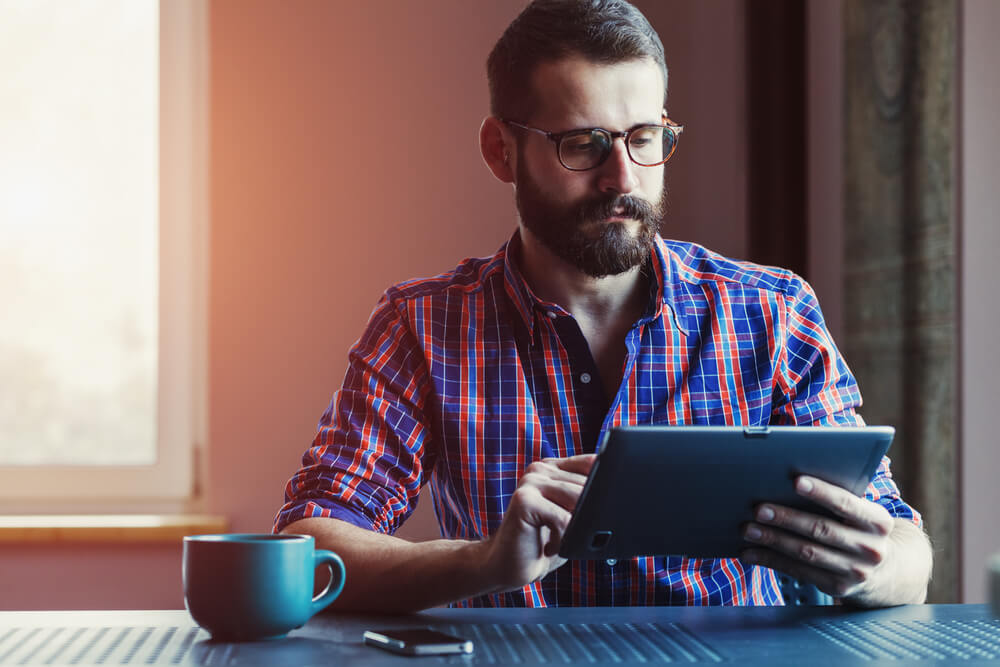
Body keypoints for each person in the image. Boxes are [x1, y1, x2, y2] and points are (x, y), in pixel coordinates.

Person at [274, 0, 932, 611]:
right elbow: (309, 545)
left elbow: (906, 551)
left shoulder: (773, 312)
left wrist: (873, 566)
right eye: (584, 143)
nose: (623, 178)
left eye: (644, 136)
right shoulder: (423, 326)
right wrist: (483, 562)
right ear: (501, 151)